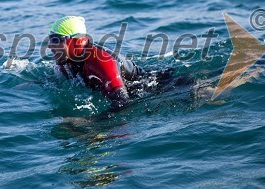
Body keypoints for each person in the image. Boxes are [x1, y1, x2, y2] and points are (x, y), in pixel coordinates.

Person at [48, 16, 178, 115]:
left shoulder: (101, 62)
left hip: (160, 86)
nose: (50, 45)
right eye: (50, 39)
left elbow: (124, 103)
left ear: (78, 41)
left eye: (56, 40)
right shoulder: (66, 60)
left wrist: (91, 123)